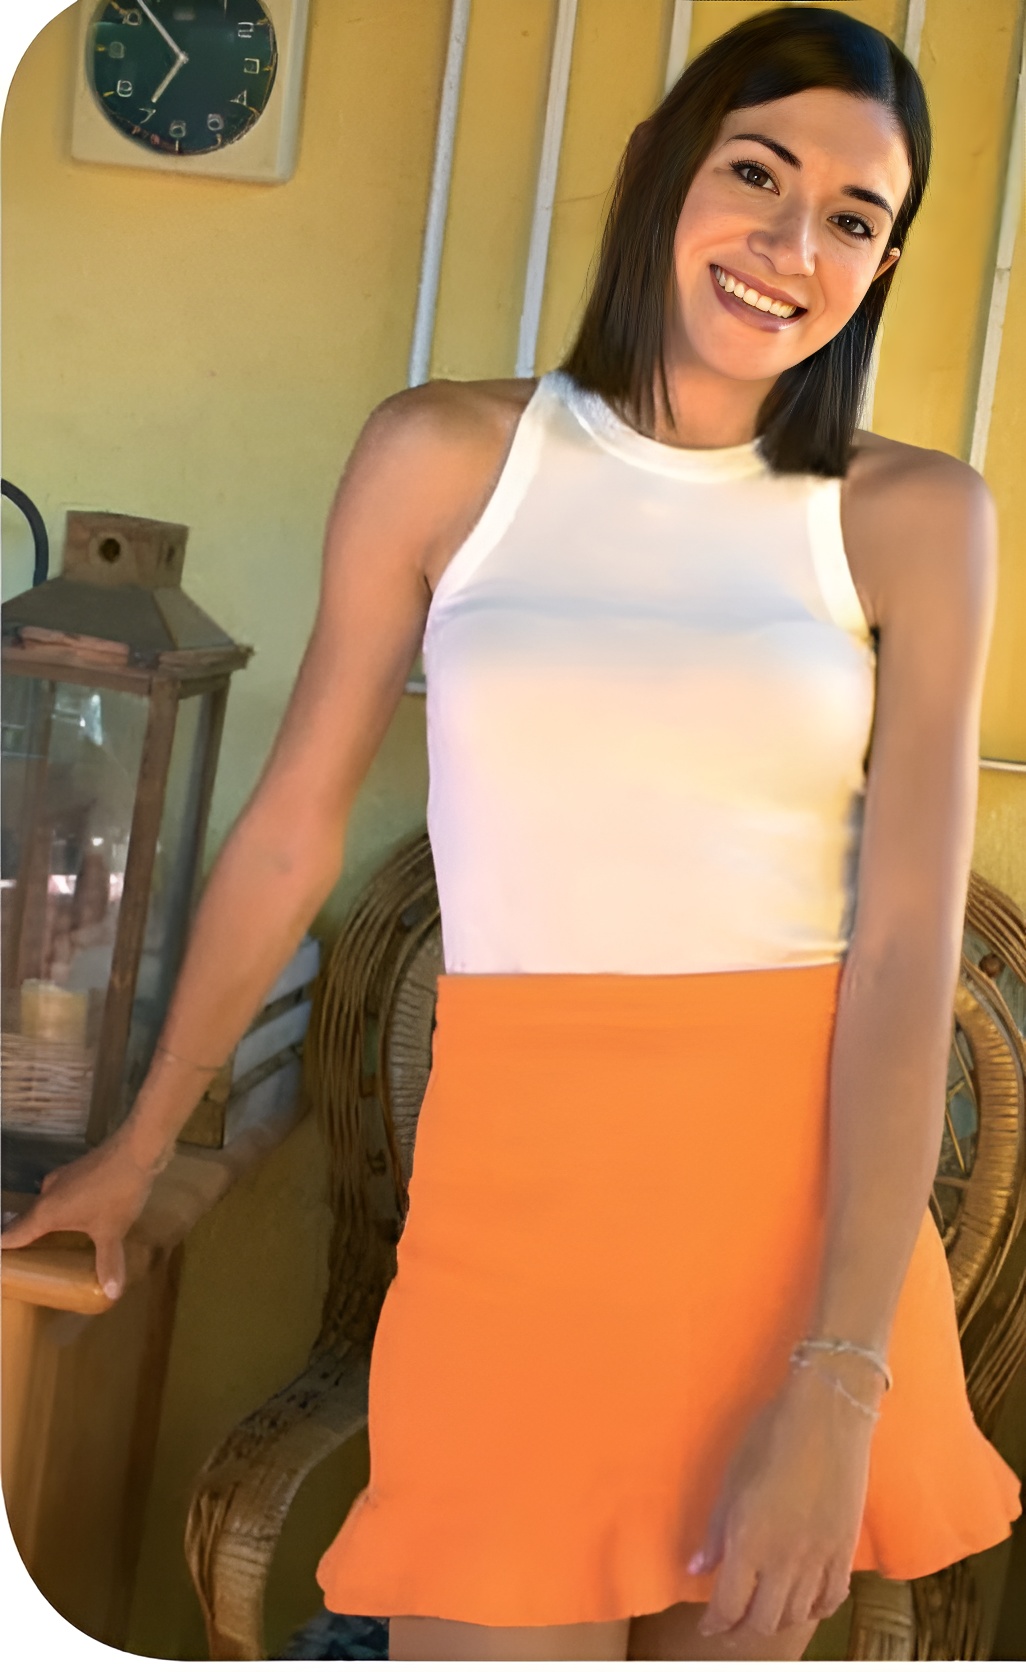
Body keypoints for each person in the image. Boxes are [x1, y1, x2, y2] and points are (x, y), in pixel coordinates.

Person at [3, 6, 1021, 1661]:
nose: (791, 246)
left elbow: (906, 950)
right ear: (660, 173)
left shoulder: (914, 517)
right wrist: (137, 1144)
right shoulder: (444, 456)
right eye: (755, 175)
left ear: (882, 265)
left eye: (851, 218)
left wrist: (842, 1378)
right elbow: (288, 831)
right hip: (515, 1207)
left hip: (798, 1243)